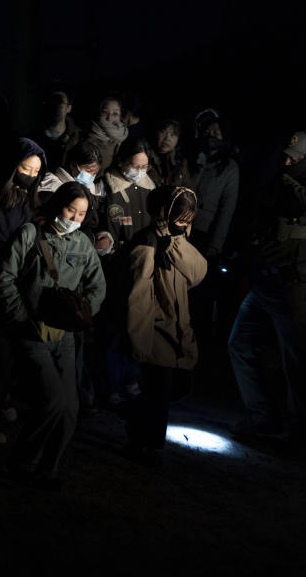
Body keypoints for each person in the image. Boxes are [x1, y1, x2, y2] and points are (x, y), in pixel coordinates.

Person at [0, 181, 105, 488]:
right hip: (32, 335)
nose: (74, 218)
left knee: (69, 410)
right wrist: (20, 316)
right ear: (58, 205)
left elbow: (98, 284)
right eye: (71, 209)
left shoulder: (82, 243)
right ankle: (21, 461)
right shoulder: (29, 235)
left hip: (64, 337)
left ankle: (48, 469)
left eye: (82, 214)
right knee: (54, 402)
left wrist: (83, 311)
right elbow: (3, 278)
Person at [228, 132, 306, 441]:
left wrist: (288, 179)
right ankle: (262, 417)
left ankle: (296, 429)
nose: (285, 161)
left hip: (293, 287)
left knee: (295, 360)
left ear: (304, 159)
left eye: (293, 157)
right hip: (266, 282)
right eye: (284, 155)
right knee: (239, 345)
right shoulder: (278, 183)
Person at [120, 186, 207, 465]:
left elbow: (197, 273)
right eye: (179, 216)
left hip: (176, 330)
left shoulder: (177, 243)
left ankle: (148, 443)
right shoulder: (147, 244)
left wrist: (176, 241)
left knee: (165, 393)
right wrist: (139, 340)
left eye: (188, 218)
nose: (184, 223)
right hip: (154, 331)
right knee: (156, 394)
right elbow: (137, 295)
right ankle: (144, 444)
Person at [0, 138, 46, 442]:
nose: (29, 174)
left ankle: (2, 400)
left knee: (15, 352)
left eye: (35, 170)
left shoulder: (31, 200)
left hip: (21, 280)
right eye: (24, 167)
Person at [96, 137, 156, 255]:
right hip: (113, 256)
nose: (139, 172)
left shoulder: (151, 187)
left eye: (144, 167)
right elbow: (93, 221)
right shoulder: (103, 186)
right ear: (121, 161)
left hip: (143, 254)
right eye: (134, 166)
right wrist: (103, 236)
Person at [38, 143, 106, 239]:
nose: (92, 176)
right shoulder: (51, 187)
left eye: (95, 173)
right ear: (73, 165)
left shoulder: (88, 189)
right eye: (89, 171)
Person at [30, 89, 80, 171]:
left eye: (60, 101)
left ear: (69, 108)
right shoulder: (33, 139)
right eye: (52, 101)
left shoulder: (79, 138)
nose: (55, 105)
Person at [80, 94, 128, 174]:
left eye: (115, 114)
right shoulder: (88, 141)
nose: (109, 118)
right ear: (99, 113)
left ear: (120, 116)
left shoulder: (126, 139)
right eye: (105, 112)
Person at [147, 118, 193, 188]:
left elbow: (189, 190)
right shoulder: (142, 156)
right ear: (156, 133)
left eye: (173, 135)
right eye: (163, 132)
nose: (167, 138)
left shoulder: (181, 163)